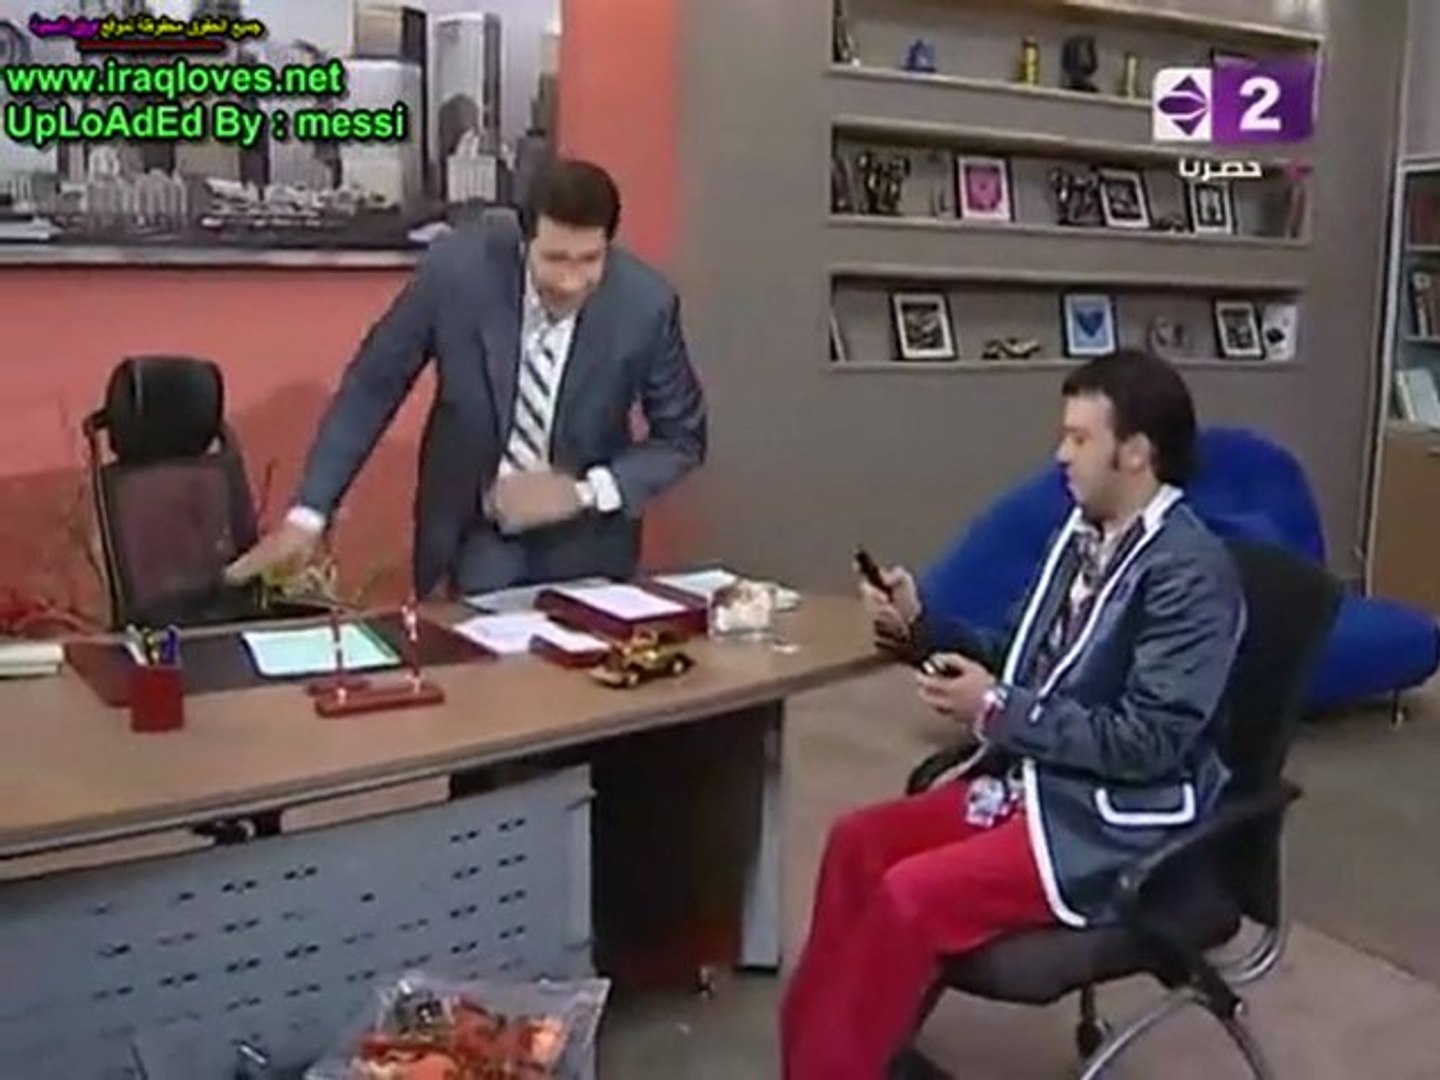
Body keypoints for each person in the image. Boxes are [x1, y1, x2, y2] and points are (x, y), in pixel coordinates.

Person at [780, 349, 1246, 1080]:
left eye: (1080, 438)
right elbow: (1017, 655)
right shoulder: (1083, 536)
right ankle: (817, 1064)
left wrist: (996, 709)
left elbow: (1149, 742)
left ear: (1135, 452)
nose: (1061, 455)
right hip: (1034, 782)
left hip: (1111, 820)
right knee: (855, 844)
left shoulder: (1190, 573)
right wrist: (921, 623)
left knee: (909, 894)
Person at [223, 158, 707, 597]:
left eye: (590, 260)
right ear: (525, 243)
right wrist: (309, 515)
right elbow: (373, 386)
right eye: (556, 259)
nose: (571, 281)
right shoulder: (456, 272)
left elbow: (682, 439)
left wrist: (583, 492)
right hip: (473, 534)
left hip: (587, 544)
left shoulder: (646, 306)